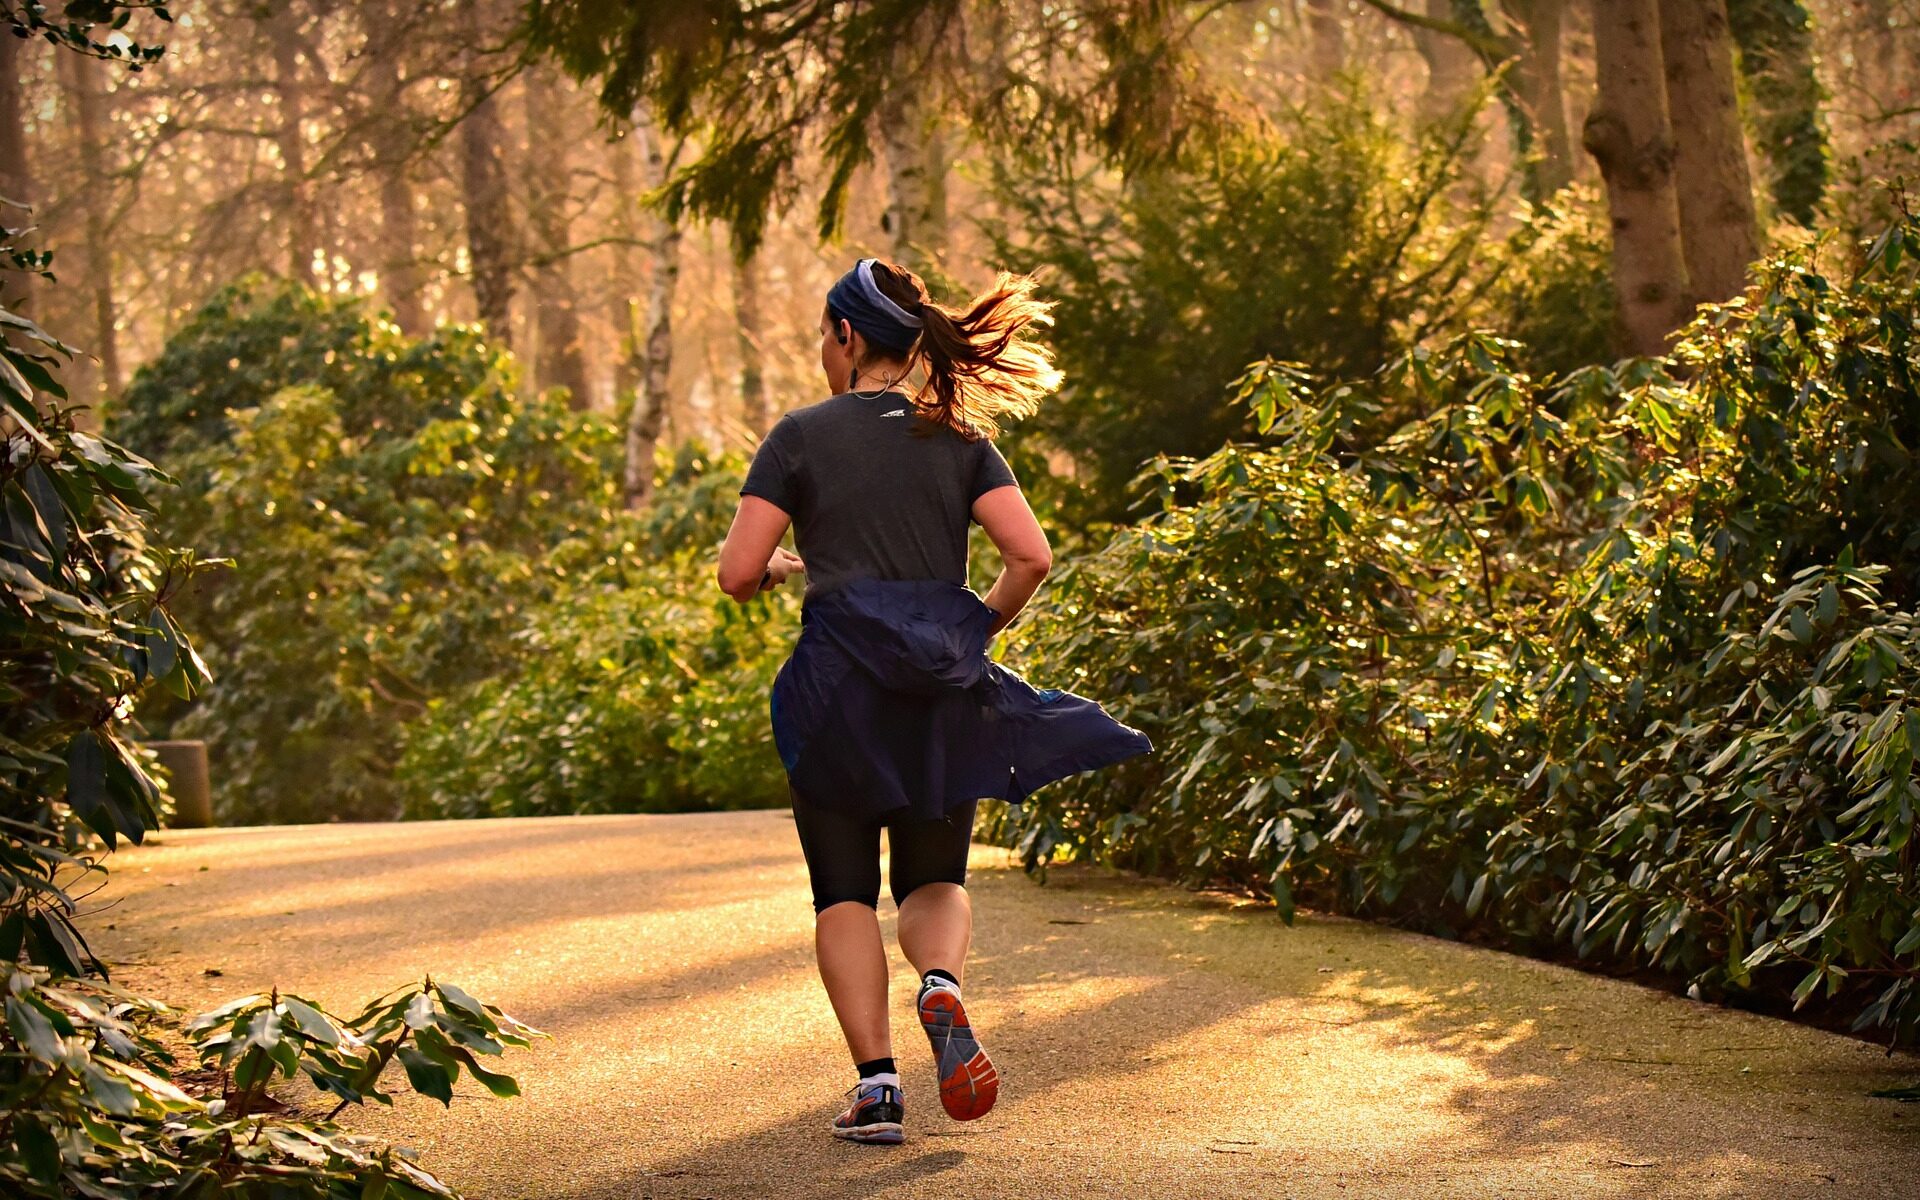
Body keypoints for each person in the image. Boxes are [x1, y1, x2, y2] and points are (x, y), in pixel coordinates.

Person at [715, 257, 1151, 1145]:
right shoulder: (958, 439)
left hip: (835, 694)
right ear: (913, 346)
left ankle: (877, 1090)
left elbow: (735, 574)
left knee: (842, 893)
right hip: (936, 689)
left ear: (845, 336)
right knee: (934, 877)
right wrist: (970, 629)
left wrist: (780, 570)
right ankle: (942, 986)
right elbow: (1030, 555)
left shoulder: (800, 436)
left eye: (822, 339)